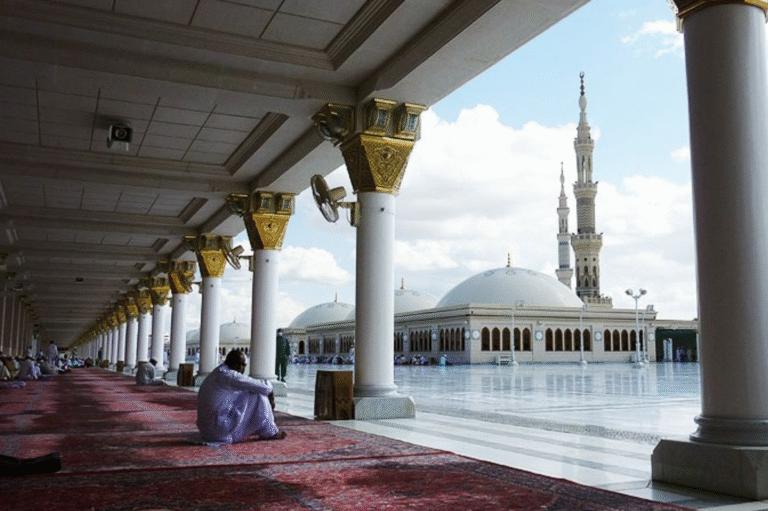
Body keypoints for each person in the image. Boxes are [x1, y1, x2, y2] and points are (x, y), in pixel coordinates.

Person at [197, 350, 285, 444]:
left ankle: (264, 428)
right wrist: (271, 394)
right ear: (239, 365)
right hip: (219, 432)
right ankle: (270, 431)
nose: (242, 368)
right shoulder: (229, 375)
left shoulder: (219, 372)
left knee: (250, 391)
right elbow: (265, 388)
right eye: (243, 365)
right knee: (258, 394)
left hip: (206, 430)